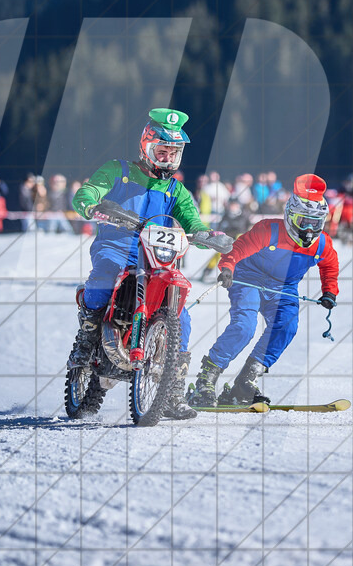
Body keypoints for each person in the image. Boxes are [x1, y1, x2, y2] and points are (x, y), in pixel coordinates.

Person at [68, 108, 233, 421]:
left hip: (155, 256)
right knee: (105, 275)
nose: (168, 159)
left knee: (180, 315)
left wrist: (204, 235)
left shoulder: (176, 190)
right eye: (162, 152)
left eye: (174, 154)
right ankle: (88, 337)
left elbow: (192, 219)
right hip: (117, 248)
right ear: (146, 147)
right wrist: (91, 203)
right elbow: (90, 191)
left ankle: (170, 390)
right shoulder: (118, 170)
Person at [187, 174, 340, 407]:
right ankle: (207, 379)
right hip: (249, 278)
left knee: (287, 326)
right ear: (290, 215)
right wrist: (227, 267)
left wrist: (329, 291)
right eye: (303, 221)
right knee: (244, 327)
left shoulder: (321, 244)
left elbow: (329, 265)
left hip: (284, 288)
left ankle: (246, 380)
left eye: (315, 223)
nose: (309, 229)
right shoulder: (269, 230)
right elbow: (237, 248)